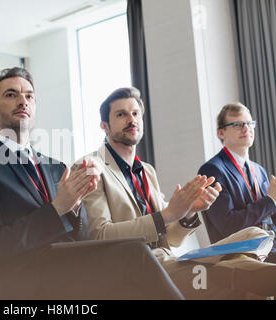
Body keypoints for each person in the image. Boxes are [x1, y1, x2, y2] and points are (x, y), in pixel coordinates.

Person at [0, 67, 185, 300]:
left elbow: (82, 237)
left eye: (29, 96)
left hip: (67, 271)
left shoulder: (56, 167)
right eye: (11, 95)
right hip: (20, 283)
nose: (23, 101)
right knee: (134, 254)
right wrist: (57, 209)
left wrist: (75, 208)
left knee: (135, 260)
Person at [79, 87, 276, 299]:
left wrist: (189, 212)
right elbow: (99, 235)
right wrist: (166, 215)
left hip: (170, 260)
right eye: (121, 114)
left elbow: (170, 238)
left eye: (135, 113)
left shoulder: (147, 171)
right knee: (232, 275)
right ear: (104, 126)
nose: (131, 119)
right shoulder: (92, 167)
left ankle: (243, 272)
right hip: (136, 270)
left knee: (257, 235)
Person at [198, 103, 276, 263]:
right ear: (221, 133)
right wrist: (270, 200)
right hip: (241, 257)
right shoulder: (212, 170)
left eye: (249, 123)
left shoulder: (259, 170)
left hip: (269, 249)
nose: (246, 129)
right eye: (238, 125)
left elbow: (268, 216)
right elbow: (229, 226)